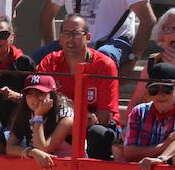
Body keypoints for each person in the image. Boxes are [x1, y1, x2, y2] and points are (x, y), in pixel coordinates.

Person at [34, 13, 119, 160]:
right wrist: (78, 113)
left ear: (88, 37)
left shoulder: (104, 65)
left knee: (98, 134)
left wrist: (73, 119)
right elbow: (37, 98)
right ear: (60, 39)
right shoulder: (50, 61)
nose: (70, 38)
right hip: (59, 122)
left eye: (76, 33)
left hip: (91, 127)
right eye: (66, 33)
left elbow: (104, 117)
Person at [36, 0, 153, 70]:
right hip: (76, 43)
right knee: (33, 62)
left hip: (114, 43)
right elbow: (47, 13)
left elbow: (148, 20)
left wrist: (133, 59)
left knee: (101, 60)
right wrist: (54, 51)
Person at [123, 62, 175, 165]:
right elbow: (129, 153)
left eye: (167, 89)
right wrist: (163, 146)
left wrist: (161, 158)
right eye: (154, 90)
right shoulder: (139, 112)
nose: (160, 95)